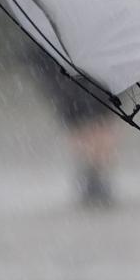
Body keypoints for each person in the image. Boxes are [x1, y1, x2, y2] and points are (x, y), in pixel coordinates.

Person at [26, 46, 119, 207]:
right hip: (83, 56)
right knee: (87, 117)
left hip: (71, 57)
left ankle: (93, 171)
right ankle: (93, 171)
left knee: (88, 117)